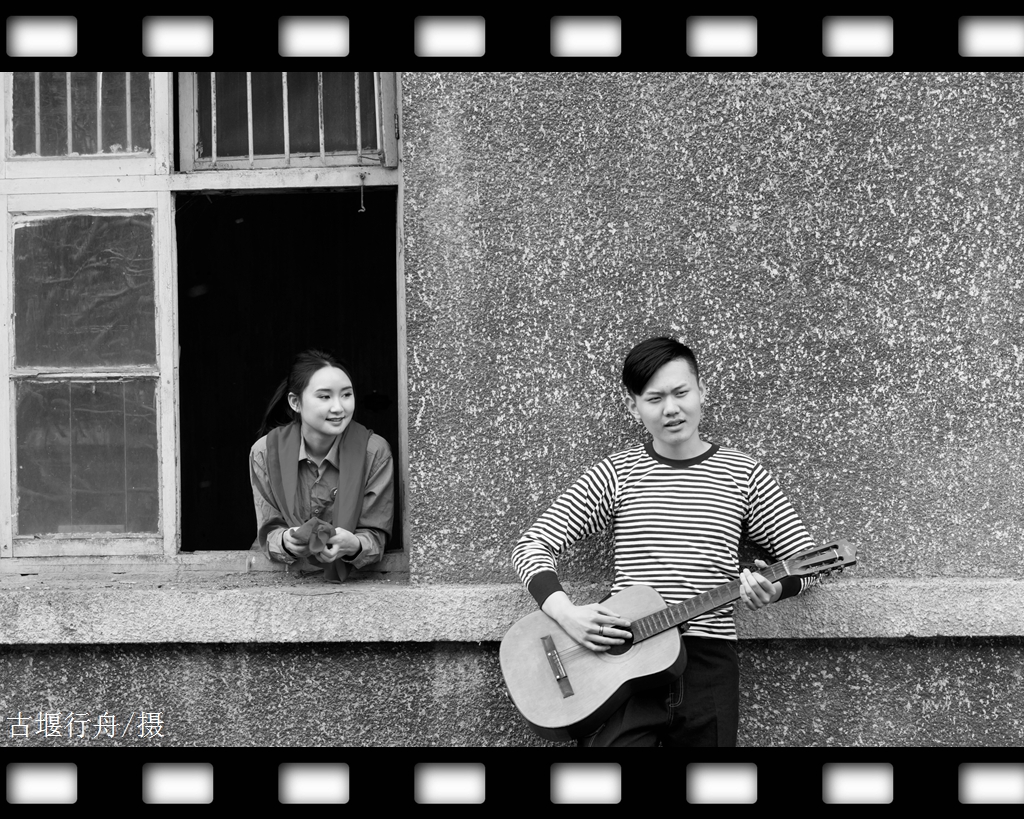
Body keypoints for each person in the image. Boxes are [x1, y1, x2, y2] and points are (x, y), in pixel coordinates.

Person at [511, 336, 817, 746]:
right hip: (620, 661)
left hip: (708, 664)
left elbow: (809, 561)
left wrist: (776, 589)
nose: (670, 408)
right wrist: (567, 614)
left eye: (681, 392)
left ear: (702, 391)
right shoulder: (617, 473)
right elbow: (531, 545)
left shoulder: (744, 474)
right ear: (633, 406)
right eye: (654, 398)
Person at [249, 350, 394, 581]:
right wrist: (286, 541)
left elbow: (376, 535)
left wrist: (354, 545)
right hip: (279, 578)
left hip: (354, 582)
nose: (338, 408)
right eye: (325, 397)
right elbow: (268, 529)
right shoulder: (265, 452)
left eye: (346, 395)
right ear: (295, 402)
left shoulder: (374, 452)